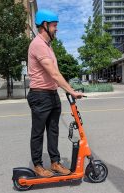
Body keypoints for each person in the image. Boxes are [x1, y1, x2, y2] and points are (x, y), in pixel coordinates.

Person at [27, 9, 84, 177]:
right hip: (40, 95)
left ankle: (55, 163)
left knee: (53, 130)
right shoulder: (38, 44)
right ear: (44, 25)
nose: (56, 29)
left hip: (51, 94)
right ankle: (37, 165)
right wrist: (71, 91)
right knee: (38, 132)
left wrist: (62, 89)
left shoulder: (48, 46)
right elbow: (54, 73)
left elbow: (54, 75)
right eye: (54, 26)